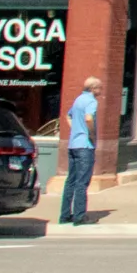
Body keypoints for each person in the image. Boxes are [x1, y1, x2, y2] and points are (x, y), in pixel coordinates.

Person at [60, 76, 102, 227]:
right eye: (99, 88)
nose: (100, 91)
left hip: (73, 144)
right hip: (85, 146)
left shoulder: (78, 99)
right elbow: (89, 118)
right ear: (93, 88)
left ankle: (64, 215)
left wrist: (76, 129)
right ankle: (79, 216)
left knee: (70, 181)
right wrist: (91, 134)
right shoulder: (91, 100)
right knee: (82, 182)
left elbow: (68, 115)